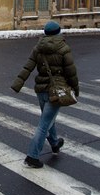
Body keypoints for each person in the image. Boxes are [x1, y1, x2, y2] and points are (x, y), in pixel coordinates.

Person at [10, 21, 79, 168]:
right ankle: (32, 157)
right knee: (44, 124)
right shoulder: (63, 48)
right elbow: (71, 72)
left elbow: (28, 67)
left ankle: (54, 143)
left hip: (41, 90)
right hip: (55, 91)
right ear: (58, 32)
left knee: (47, 119)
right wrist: (75, 89)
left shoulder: (38, 48)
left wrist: (17, 84)